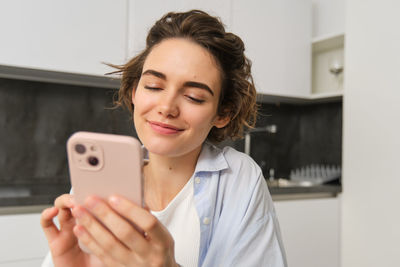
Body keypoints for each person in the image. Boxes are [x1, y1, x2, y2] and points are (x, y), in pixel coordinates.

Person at [40, 10, 287, 267]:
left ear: (222, 113)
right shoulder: (99, 184)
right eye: (154, 87)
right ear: (135, 92)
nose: (167, 107)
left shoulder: (238, 178)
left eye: (193, 96)